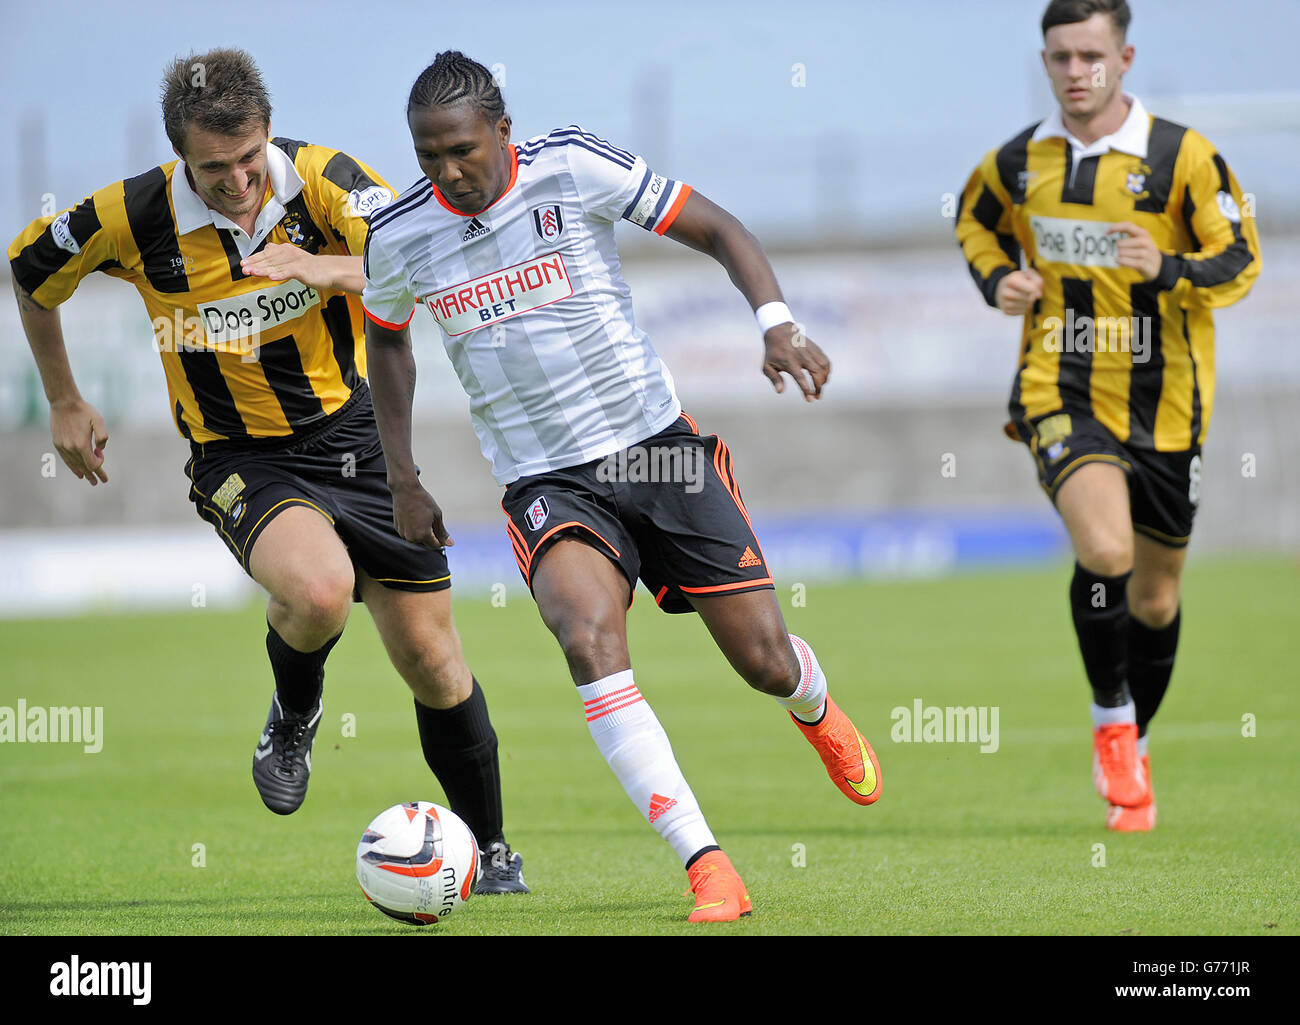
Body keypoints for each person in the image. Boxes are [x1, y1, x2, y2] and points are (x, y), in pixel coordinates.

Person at [362, 51, 882, 924]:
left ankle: (814, 702)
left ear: (502, 130)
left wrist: (777, 323)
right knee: (587, 639)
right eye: (427, 157)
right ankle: (706, 863)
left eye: (462, 150)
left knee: (762, 659)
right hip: (545, 478)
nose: (448, 172)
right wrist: (402, 477)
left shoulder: (573, 164)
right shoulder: (400, 233)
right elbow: (387, 341)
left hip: (654, 449)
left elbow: (720, 229)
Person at [8, 47, 527, 892]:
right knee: (319, 592)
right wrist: (64, 398)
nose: (240, 181)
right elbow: (30, 273)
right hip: (238, 454)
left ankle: (494, 851)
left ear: (269, 135)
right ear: (181, 155)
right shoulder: (132, 213)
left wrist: (319, 267)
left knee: (434, 659)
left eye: (251, 159)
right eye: (215, 168)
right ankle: (295, 710)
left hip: (357, 442)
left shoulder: (327, 182)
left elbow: (428, 266)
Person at [955, 0, 1260, 830]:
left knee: (1157, 599)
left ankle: (1137, 739)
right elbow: (975, 223)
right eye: (1060, 57)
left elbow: (1240, 260)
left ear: (1125, 58)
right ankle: (1109, 721)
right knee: (1106, 548)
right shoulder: (1018, 163)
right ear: (1046, 62)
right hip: (1060, 387)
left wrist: (1166, 267)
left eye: (1091, 55)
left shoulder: (1183, 158)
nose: (1076, 71)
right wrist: (999, 282)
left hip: (1169, 408)